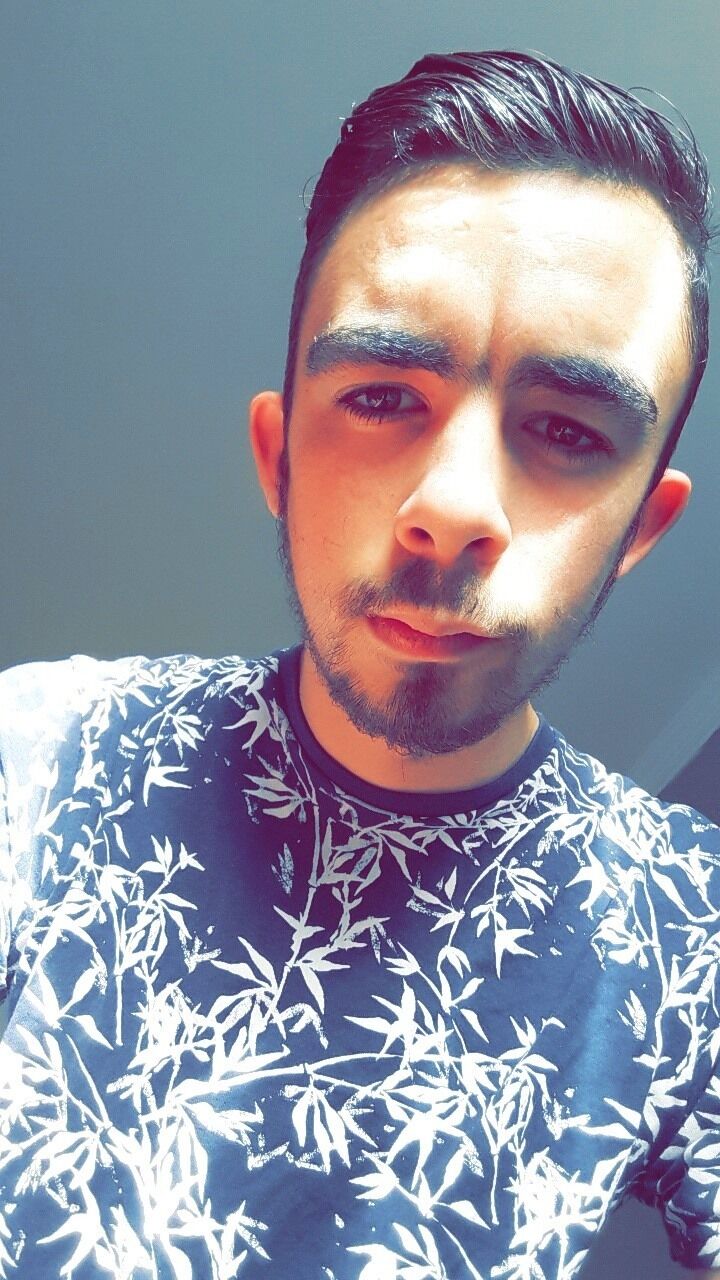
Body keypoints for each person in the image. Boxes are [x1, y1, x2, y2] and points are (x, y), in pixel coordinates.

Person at [0, 48, 718, 1280]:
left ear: (641, 527)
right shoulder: (41, 750)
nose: (454, 506)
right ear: (278, 459)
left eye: (565, 428)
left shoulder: (689, 924)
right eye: (383, 397)